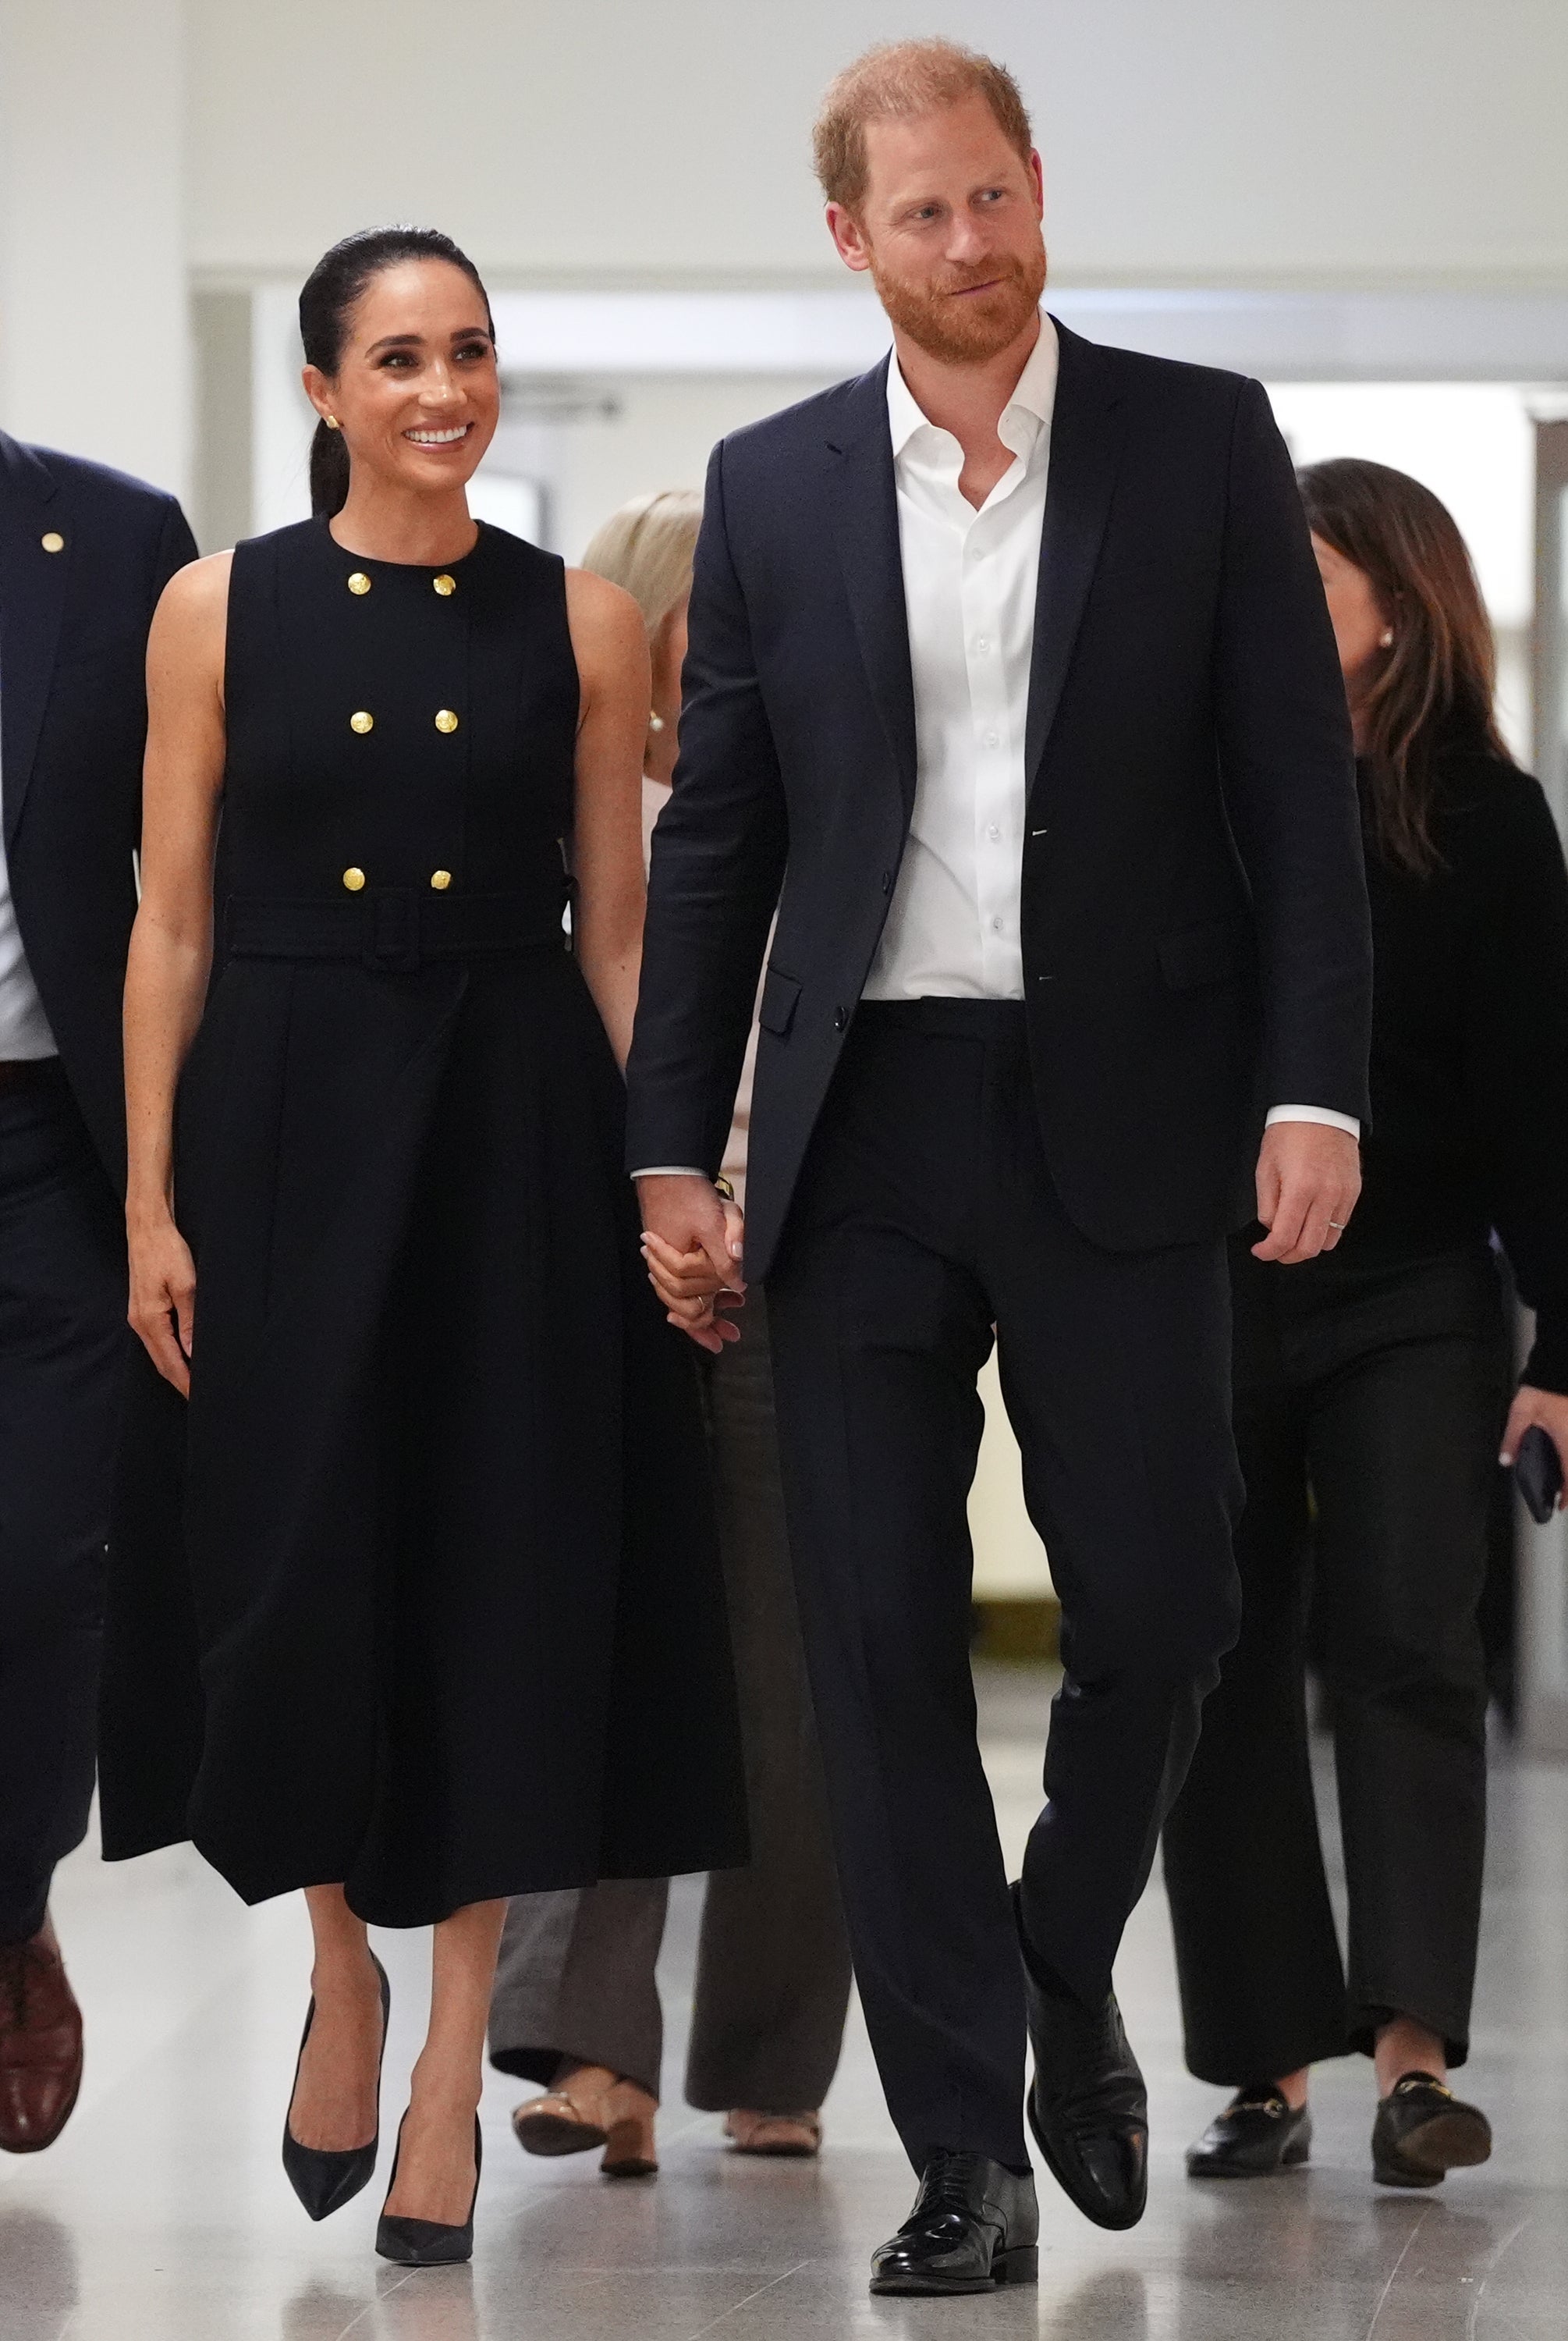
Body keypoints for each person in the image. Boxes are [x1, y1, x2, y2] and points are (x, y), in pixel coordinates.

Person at [627, 37, 1372, 2301]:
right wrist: (670, 1141)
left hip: (1126, 1111)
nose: (976, 244)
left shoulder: (1196, 438)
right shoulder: (765, 490)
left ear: (1040, 191)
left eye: (1000, 196)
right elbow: (726, 836)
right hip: (860, 1130)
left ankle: (1060, 1957)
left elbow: (1292, 798)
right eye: (924, 212)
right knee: (870, 1649)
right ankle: (964, 2147)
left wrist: (1311, 1087)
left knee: (1166, 1606)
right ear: (848, 238)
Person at [96, 227, 745, 2266]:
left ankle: (455, 2047)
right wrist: (147, 1197)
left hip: (508, 1122)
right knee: (291, 1573)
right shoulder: (217, 609)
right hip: (281, 1111)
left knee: (497, 1577)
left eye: (469, 351)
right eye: (397, 357)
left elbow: (620, 931)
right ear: (322, 391)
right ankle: (341, 1966)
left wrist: (670, 1171)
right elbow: (172, 917)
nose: (441, 387)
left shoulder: (580, 624)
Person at [1162, 458, 1568, 2190]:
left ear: (1395, 606)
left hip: (1415, 1298)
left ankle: (1412, 2058)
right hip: (1208, 1291)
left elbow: (1548, 1103)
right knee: (1216, 1667)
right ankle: (1266, 2064)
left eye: (1304, 578)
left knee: (1413, 1650)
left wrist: (1562, 1350)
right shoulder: (1193, 799)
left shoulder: (1486, 814)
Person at [489, 491, 853, 2175]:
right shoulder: (576, 811)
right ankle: (588, 2051)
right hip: (600, 1267)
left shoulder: (840, 809)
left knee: (794, 1671)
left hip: (805, 1261)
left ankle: (772, 2062)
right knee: (592, 1645)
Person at [0, 428, 194, 2154]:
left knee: (48, 1561)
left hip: (52, 1144)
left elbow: (198, 864)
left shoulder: (113, 540)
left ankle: (7, 1904)